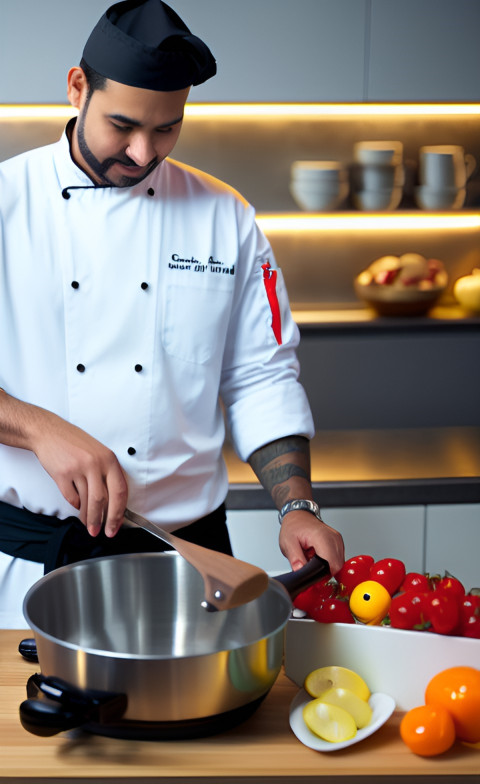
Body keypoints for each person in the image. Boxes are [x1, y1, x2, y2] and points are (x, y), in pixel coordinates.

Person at [0, 0, 344, 625]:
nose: (141, 152)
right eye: (123, 125)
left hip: (195, 564)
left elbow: (262, 377)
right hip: (29, 565)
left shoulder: (225, 216)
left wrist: (298, 507)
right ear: (78, 87)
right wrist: (35, 427)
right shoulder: (5, 204)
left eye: (166, 129)